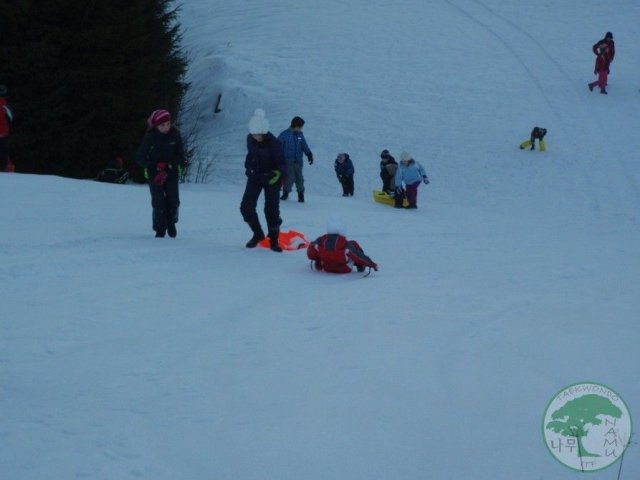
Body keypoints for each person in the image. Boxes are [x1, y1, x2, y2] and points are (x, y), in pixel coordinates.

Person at [135, 109, 187, 238]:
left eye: (168, 124)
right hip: (154, 174)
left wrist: (171, 164)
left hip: (171, 172)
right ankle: (159, 228)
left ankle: (171, 223)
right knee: (158, 202)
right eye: (162, 125)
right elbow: (140, 157)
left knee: (173, 200)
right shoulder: (150, 137)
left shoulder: (175, 135)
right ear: (156, 125)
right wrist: (154, 165)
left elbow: (180, 155)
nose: (166, 127)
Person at [241, 109, 287, 252]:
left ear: (264, 132)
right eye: (254, 134)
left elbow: (282, 164)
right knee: (246, 207)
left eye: (259, 134)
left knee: (271, 210)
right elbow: (250, 156)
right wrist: (248, 169)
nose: (256, 137)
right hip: (255, 177)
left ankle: (274, 240)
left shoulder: (274, 144)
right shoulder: (250, 139)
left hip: (272, 178)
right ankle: (258, 234)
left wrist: (280, 176)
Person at [307, 217, 378, 273]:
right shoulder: (345, 244)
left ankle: (319, 263)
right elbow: (358, 256)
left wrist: (318, 259)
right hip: (344, 269)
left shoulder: (321, 239)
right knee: (354, 245)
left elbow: (311, 252)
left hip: (327, 268)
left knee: (319, 249)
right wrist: (372, 264)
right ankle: (360, 265)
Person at [278, 116, 313, 203]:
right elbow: (277, 147)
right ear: (296, 126)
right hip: (288, 161)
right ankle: (285, 193)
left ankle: (301, 195)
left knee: (300, 179)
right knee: (290, 178)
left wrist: (309, 154)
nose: (301, 129)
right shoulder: (284, 135)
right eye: (301, 127)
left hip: (298, 161)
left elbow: (304, 145)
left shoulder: (300, 135)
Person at [0, 85, 14, 172]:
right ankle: (4, 168)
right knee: (3, 150)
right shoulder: (5, 104)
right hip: (3, 132)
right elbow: (10, 117)